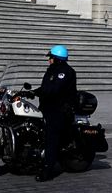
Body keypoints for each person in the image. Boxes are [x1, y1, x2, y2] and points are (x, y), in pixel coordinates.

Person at [32, 44, 77, 182]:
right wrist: (31, 92)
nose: (49, 60)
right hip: (46, 108)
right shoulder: (51, 71)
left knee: (51, 137)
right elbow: (45, 87)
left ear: (57, 58)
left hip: (59, 110)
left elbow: (54, 89)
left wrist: (42, 92)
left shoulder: (66, 72)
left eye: (50, 57)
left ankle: (47, 169)